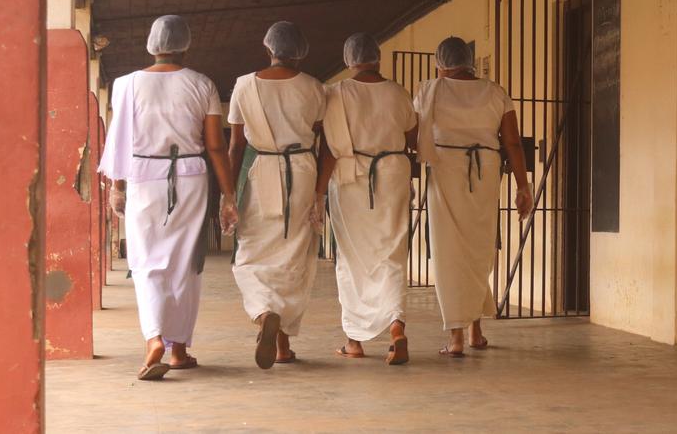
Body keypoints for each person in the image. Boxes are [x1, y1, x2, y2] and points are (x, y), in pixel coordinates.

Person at [98, 15, 236, 381]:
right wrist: (229, 195)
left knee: (146, 262)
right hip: (191, 177)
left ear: (151, 45)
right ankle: (178, 351)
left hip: (144, 176)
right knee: (186, 263)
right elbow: (216, 145)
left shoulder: (125, 85)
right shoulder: (202, 83)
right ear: (185, 46)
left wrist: (118, 187)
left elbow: (119, 141)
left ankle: (153, 338)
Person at [415, 36, 532, 357]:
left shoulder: (430, 90)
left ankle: (456, 336)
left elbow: (413, 134)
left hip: (445, 169)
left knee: (449, 250)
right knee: (479, 248)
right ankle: (475, 330)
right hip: (486, 172)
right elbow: (513, 143)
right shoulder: (495, 92)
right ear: (470, 61)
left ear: (440, 64)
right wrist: (523, 186)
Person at [225, 21, 326, 370]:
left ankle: (264, 311)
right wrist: (319, 191)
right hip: (301, 170)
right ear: (302, 52)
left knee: (252, 252)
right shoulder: (315, 88)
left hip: (261, 172)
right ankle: (282, 345)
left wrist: (228, 193)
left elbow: (236, 145)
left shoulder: (243, 86)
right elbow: (322, 140)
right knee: (293, 254)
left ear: (267, 50)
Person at [316, 33, 417, 365]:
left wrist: (318, 193)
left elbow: (330, 148)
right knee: (392, 252)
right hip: (393, 173)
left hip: (351, 178)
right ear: (377, 57)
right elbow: (411, 136)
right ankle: (396, 328)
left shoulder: (337, 94)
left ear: (349, 60)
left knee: (352, 258)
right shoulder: (398, 92)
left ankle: (354, 341)